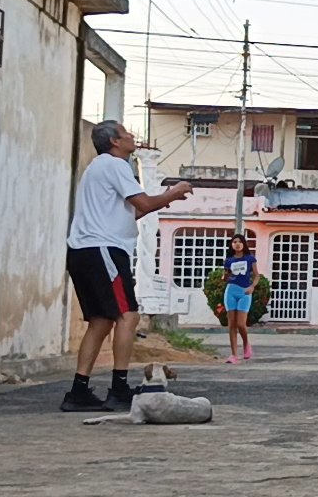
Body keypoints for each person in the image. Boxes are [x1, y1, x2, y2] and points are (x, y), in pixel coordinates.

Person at [65, 119, 192, 412]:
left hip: (84, 250)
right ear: (114, 141)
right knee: (128, 315)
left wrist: (162, 200)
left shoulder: (96, 169)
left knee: (101, 320)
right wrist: (173, 192)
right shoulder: (116, 165)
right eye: (126, 133)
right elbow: (144, 205)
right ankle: (119, 388)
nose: (132, 135)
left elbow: (130, 213)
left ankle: (78, 390)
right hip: (104, 249)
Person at [220, 230, 258, 363]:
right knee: (232, 324)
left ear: (244, 244)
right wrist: (226, 275)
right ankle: (234, 354)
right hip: (231, 291)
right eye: (234, 242)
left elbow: (256, 275)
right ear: (231, 245)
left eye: (240, 242)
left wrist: (252, 286)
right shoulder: (229, 260)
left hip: (245, 292)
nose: (237, 244)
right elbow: (225, 278)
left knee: (241, 324)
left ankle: (246, 344)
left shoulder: (249, 258)